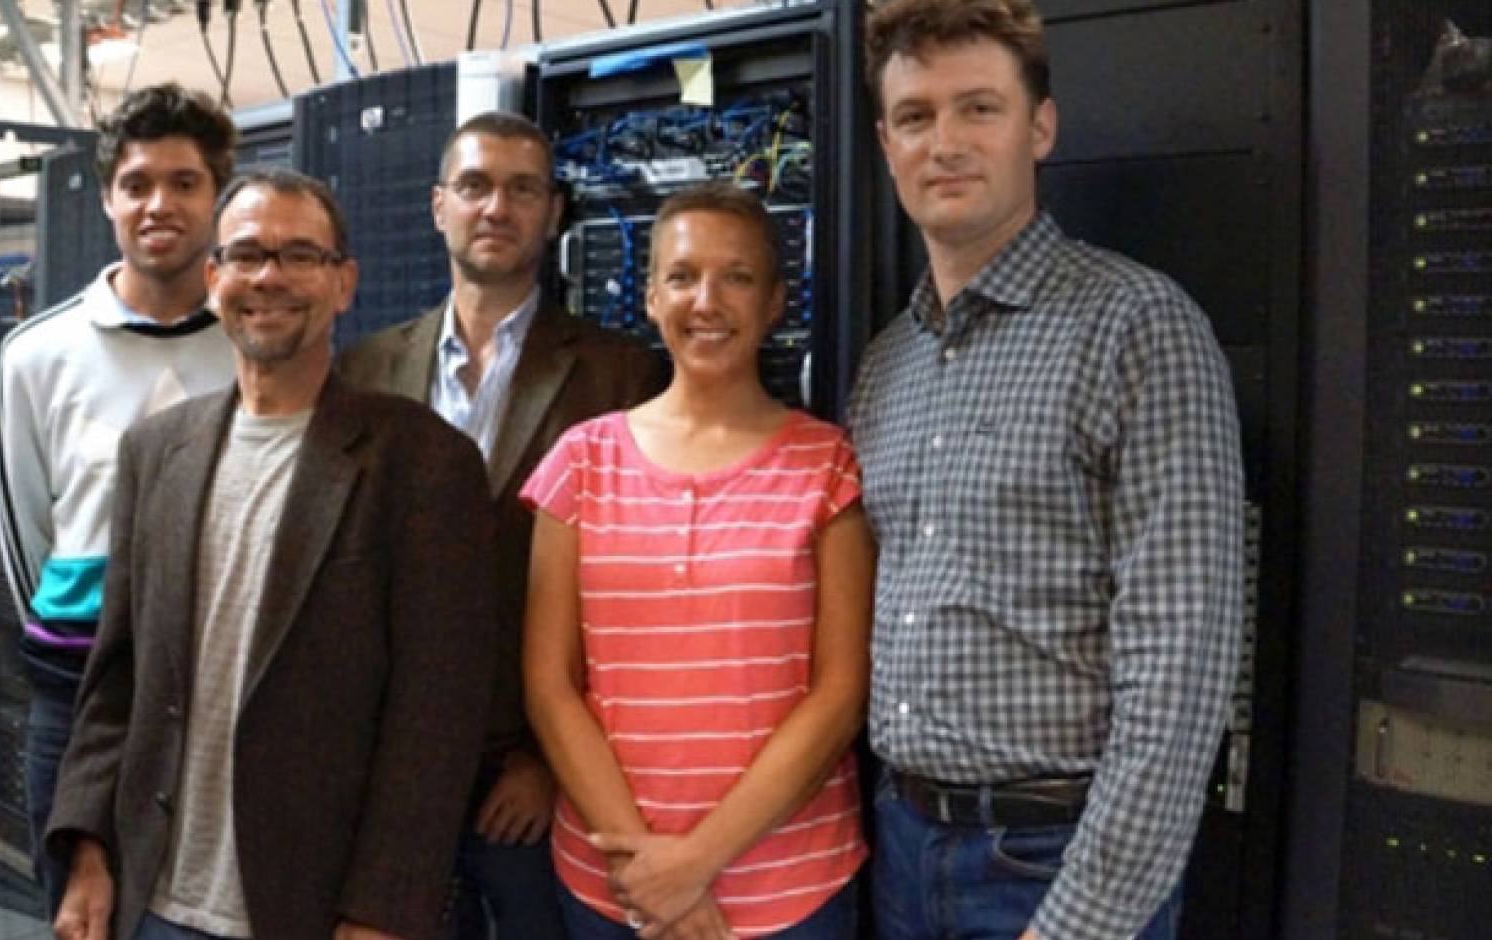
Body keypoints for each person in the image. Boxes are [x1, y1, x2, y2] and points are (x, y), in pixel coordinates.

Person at [851, 2, 1246, 938]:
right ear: (885, 141)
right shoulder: (885, 365)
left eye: (978, 109)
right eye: (915, 116)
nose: (944, 142)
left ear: (1041, 127)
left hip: (1052, 861)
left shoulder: (1138, 327)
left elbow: (1182, 674)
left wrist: (1084, 920)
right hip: (900, 847)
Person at [45, 169, 496, 940]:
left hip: (317, 905)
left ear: (344, 283)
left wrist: (383, 908)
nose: (270, 278)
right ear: (214, 278)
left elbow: (436, 717)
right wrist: (89, 848)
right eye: (247, 255)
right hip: (154, 894)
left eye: (300, 256)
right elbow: (116, 677)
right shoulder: (157, 451)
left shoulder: (422, 462)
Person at [338, 109, 663, 938]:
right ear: (438, 204)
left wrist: (551, 763)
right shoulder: (363, 370)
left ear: (554, 213)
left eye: (524, 189)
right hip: (391, 770)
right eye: (476, 186)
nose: (498, 207)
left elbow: (632, 603)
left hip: (526, 778)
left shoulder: (620, 373)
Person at [522, 181, 875, 939]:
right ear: (650, 296)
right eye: (682, 276)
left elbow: (840, 693)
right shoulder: (580, 462)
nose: (706, 300)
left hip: (792, 892)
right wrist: (653, 879)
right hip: (615, 890)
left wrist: (697, 862)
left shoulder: (828, 465)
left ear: (776, 301)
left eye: (737, 277)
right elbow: (551, 685)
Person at [0, 82, 238, 914]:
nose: (158, 203)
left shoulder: (258, 345)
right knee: (81, 909)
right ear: (107, 199)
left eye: (184, 182)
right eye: (136, 184)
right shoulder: (37, 354)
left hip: (222, 692)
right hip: (80, 692)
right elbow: (27, 534)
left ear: (216, 197)